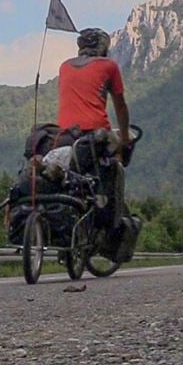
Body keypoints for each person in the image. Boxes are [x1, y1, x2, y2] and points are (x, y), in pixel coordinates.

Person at [55, 27, 133, 226]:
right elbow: (120, 107)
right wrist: (124, 139)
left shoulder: (64, 66)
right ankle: (109, 210)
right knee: (119, 155)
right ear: (103, 48)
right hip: (95, 134)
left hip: (63, 135)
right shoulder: (109, 66)